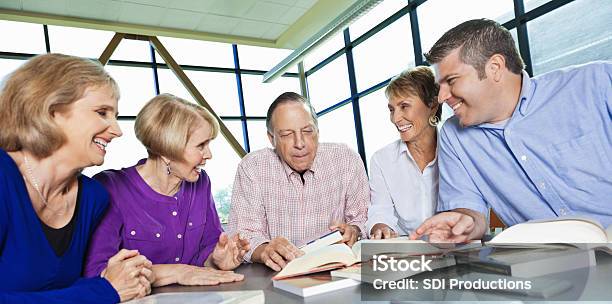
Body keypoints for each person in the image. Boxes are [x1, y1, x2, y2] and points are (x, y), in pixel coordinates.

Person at [411, 19, 612, 243]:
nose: (441, 97)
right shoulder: (454, 137)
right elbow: (468, 211)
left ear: (495, 67)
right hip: (549, 266)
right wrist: (463, 223)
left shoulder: (599, 83)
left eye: (451, 81)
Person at [0, 54, 153, 304]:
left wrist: (116, 279)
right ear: (51, 110)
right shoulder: (3, 177)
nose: (117, 130)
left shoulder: (93, 197)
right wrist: (105, 289)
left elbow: (58, 289)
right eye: (102, 112)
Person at [85, 94, 247, 286]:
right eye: (201, 146)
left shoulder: (201, 183)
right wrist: (178, 273)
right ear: (167, 151)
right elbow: (98, 272)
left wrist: (216, 260)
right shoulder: (111, 188)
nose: (209, 154)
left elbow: (206, 252)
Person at [228, 92, 369, 272]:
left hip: (340, 270)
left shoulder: (346, 158)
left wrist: (354, 230)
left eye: (308, 131)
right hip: (276, 275)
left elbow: (363, 217)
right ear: (272, 139)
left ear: (318, 131)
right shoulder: (252, 167)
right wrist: (264, 250)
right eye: (287, 134)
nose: (300, 143)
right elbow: (243, 234)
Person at [366, 66, 442, 239]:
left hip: (454, 248)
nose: (395, 118)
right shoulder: (381, 160)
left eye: (404, 106)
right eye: (392, 109)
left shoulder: (455, 150)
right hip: (409, 255)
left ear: (432, 105)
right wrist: (381, 227)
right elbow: (380, 210)